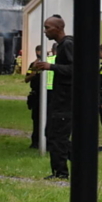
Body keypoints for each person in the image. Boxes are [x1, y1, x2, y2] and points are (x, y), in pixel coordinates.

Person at [32, 16, 74, 180]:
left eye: (48, 27)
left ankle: (61, 173)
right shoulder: (62, 46)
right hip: (58, 99)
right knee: (51, 134)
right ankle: (62, 169)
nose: (45, 31)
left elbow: (75, 68)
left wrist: (51, 67)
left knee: (58, 136)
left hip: (66, 100)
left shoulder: (68, 45)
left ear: (58, 28)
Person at [26, 45, 43, 149]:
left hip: (46, 94)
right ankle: (35, 142)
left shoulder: (49, 64)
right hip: (36, 94)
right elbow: (26, 79)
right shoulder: (33, 64)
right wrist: (33, 73)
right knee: (36, 119)